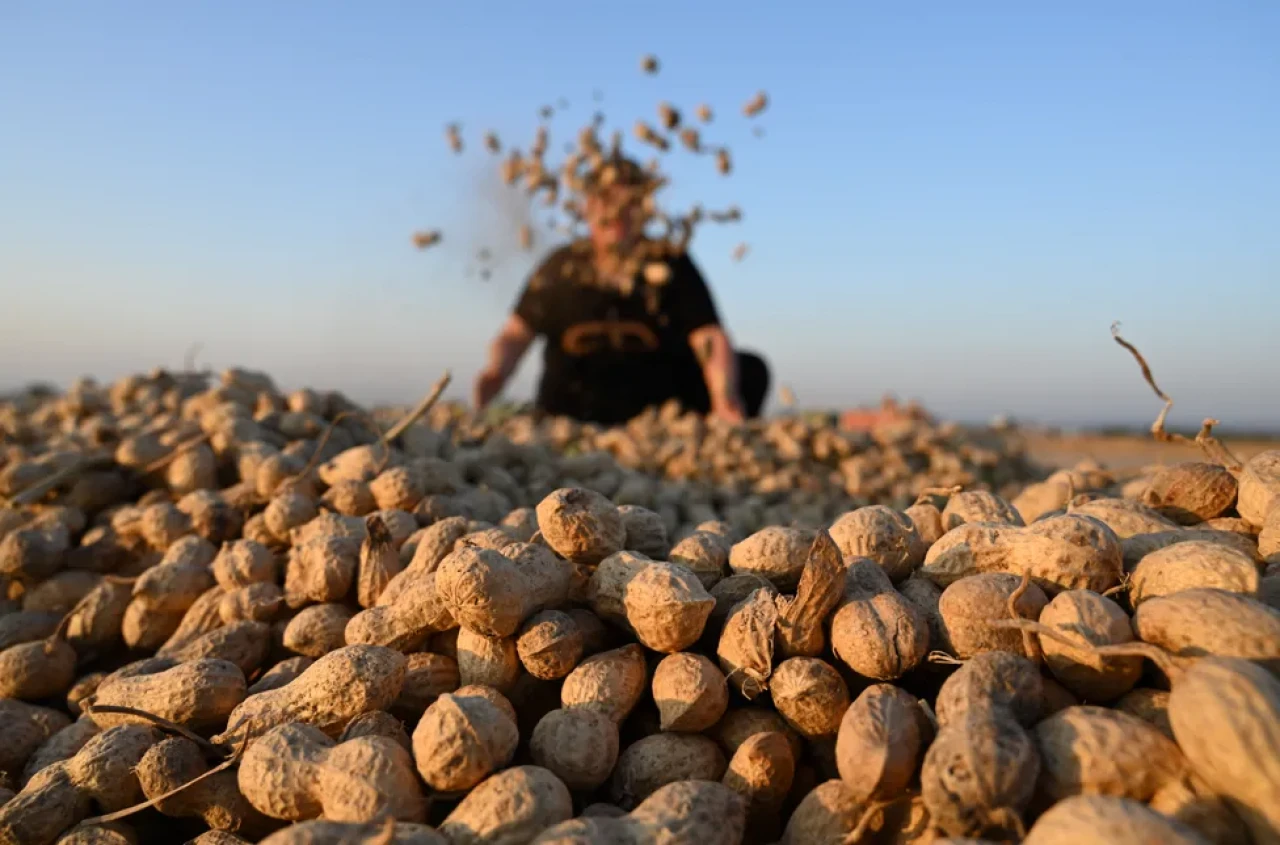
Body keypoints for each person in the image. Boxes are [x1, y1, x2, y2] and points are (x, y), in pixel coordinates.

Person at [472, 155, 770, 426]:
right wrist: (496, 373)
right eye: (606, 200)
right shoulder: (560, 266)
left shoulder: (671, 262)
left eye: (630, 202)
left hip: (656, 413)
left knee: (750, 369)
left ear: (646, 208)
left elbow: (708, 335)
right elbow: (515, 334)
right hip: (571, 409)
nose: (617, 213)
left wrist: (724, 396)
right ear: (587, 206)